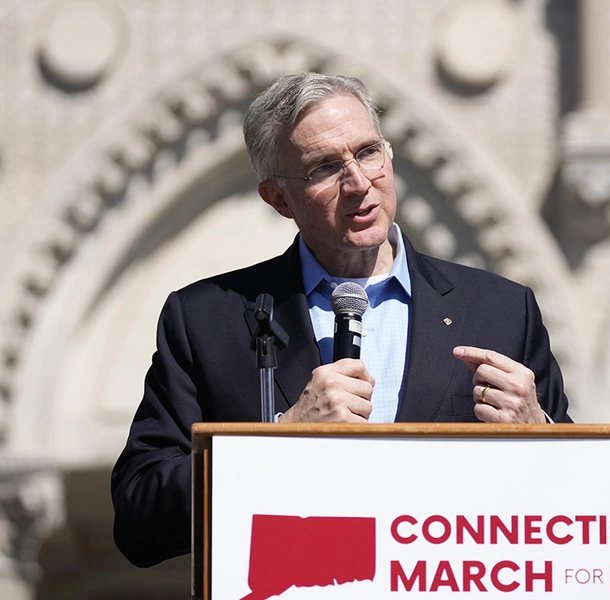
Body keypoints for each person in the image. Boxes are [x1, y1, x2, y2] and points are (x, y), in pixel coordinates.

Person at [111, 72, 571, 567]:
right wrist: (280, 441)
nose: (358, 183)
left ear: (389, 154)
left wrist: (538, 434)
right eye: (324, 168)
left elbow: (583, 500)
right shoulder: (207, 320)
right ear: (278, 199)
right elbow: (140, 518)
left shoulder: (500, 309)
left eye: (368, 152)